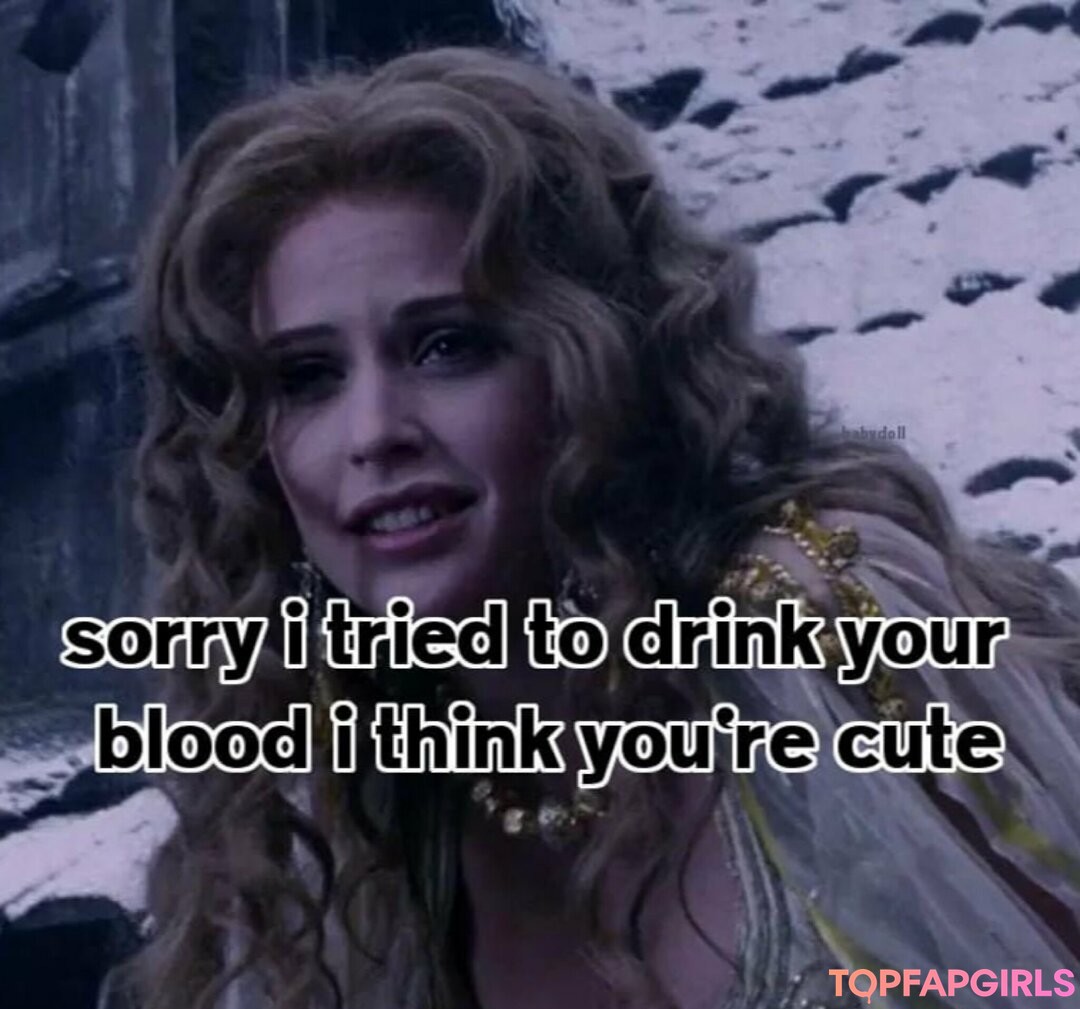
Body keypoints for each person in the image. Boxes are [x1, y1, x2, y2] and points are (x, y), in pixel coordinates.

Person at [121, 45, 1080, 1009]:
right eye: (306, 378)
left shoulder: (820, 636)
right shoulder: (335, 813)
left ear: (592, 364)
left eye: (449, 345)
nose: (373, 433)